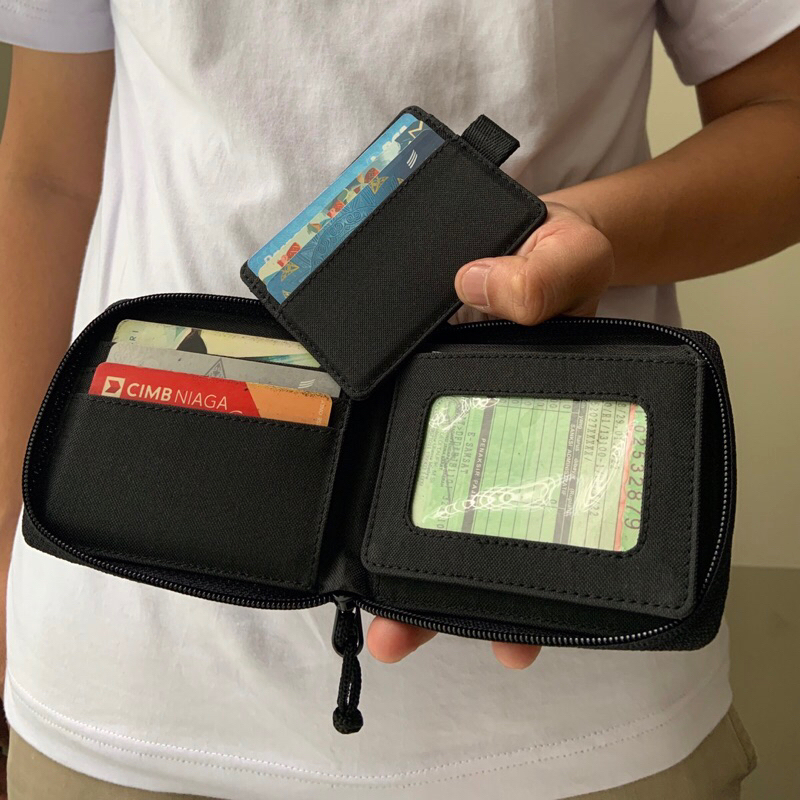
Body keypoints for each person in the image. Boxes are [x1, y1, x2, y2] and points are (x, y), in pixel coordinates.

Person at [1, 2, 798, 798]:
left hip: (579, 698)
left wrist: (587, 224)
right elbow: (46, 178)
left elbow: (782, 111)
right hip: (116, 667)